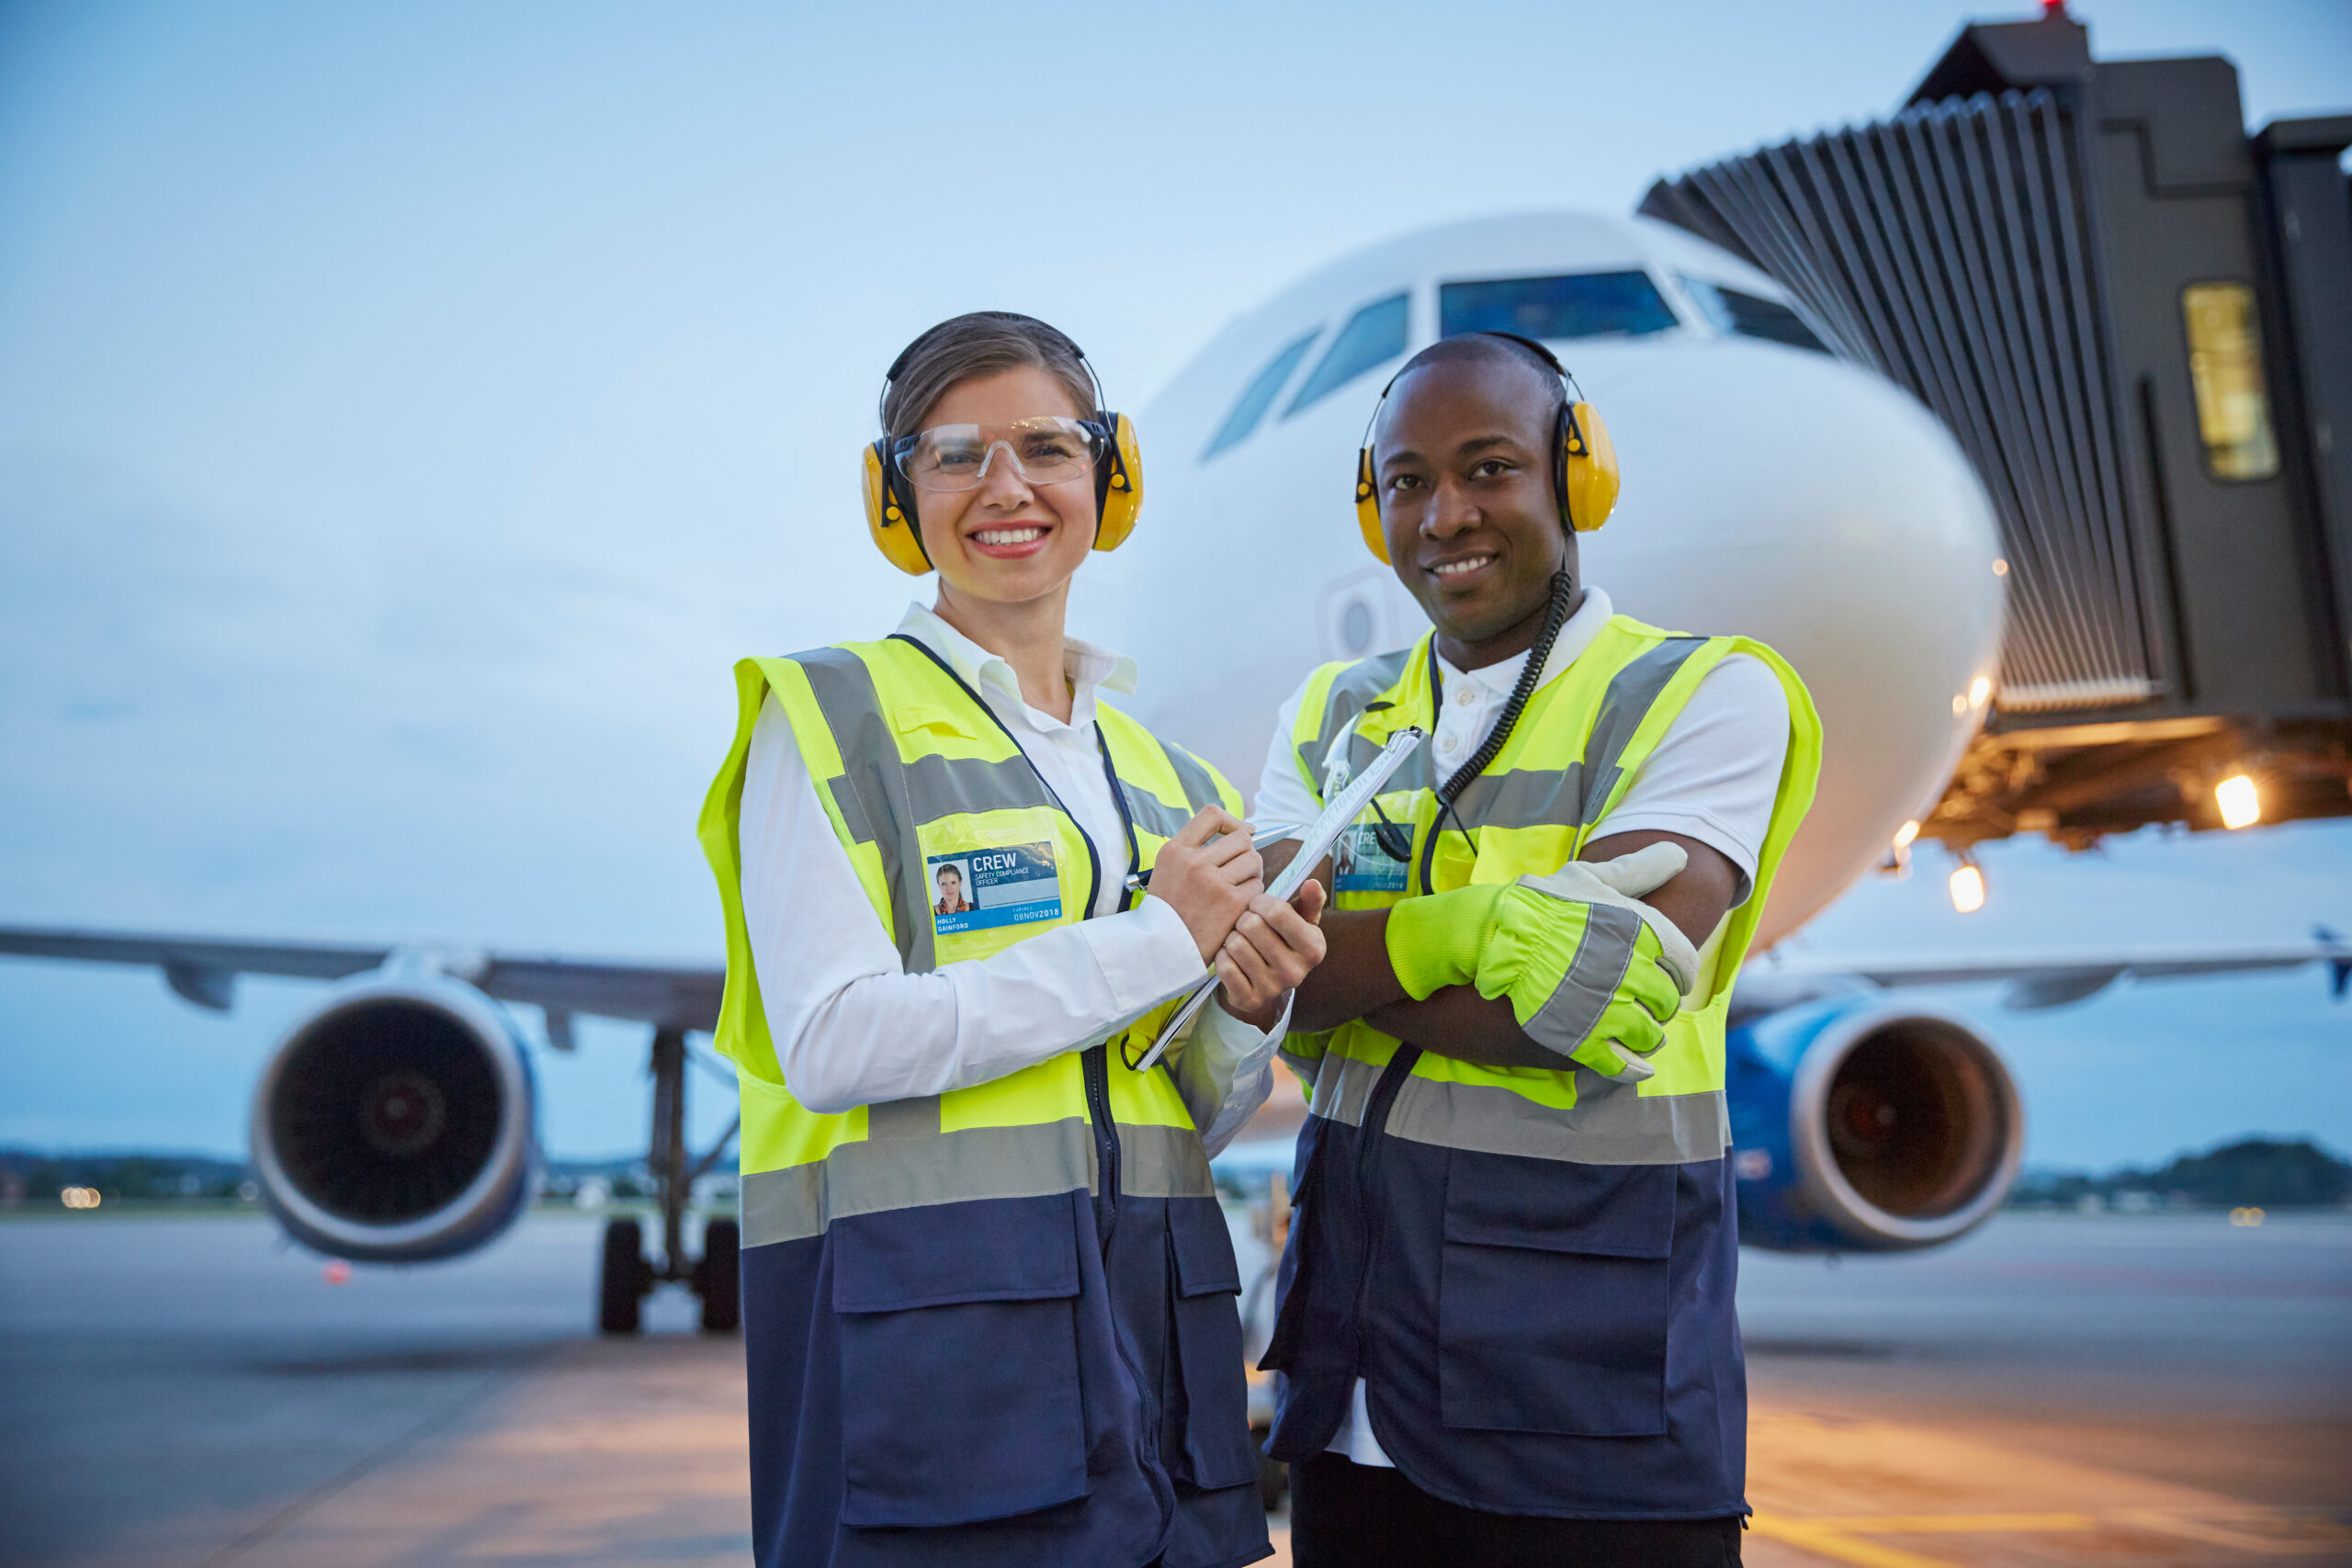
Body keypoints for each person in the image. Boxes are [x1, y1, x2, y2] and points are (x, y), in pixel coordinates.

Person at [696, 311, 1322, 1568]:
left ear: (1109, 475)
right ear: (897, 495)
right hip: (936, 1371)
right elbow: (829, 1042)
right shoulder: (827, 718)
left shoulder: (1168, 778)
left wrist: (1248, 1015)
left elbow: (1168, 1115)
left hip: (1157, 1373)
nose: (1007, 487)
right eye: (954, 455)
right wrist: (1159, 942)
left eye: (1045, 446)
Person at [1252, 333, 1823, 1567]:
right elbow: (1254, 982)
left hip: (1595, 1411)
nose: (1445, 513)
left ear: (1579, 477)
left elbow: (1585, 998)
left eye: (1489, 467)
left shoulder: (1703, 694)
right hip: (1355, 1406)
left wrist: (1336, 965)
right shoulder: (1330, 715)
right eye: (1406, 481)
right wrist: (1473, 934)